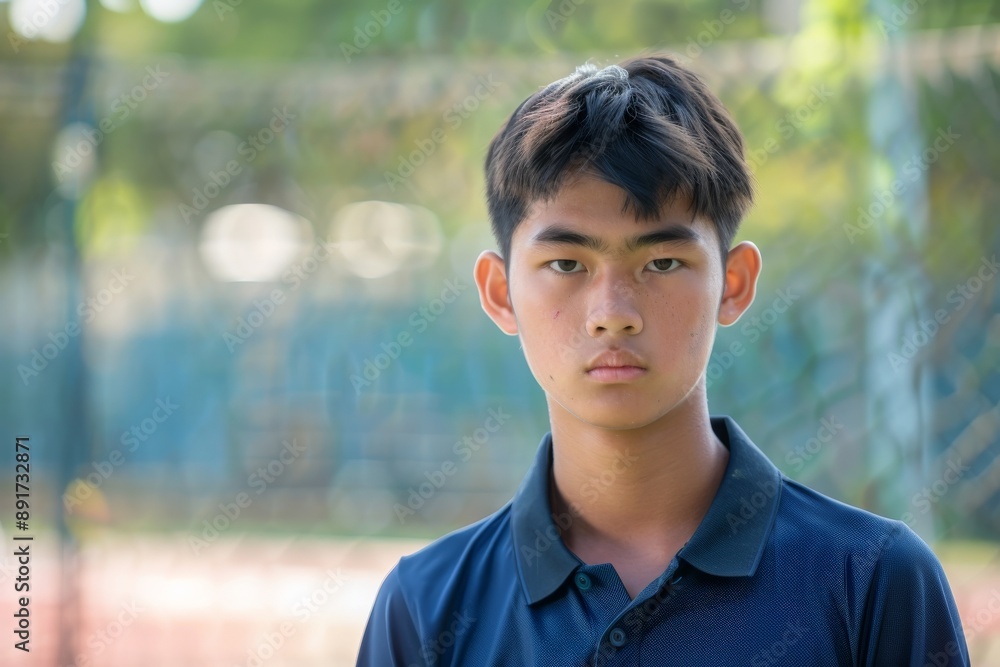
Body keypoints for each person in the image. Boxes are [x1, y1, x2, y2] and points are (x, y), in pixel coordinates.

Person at [356, 53, 969, 666]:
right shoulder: (427, 609)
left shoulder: (872, 583)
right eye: (567, 265)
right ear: (500, 293)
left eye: (663, 263)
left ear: (733, 283)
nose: (613, 312)